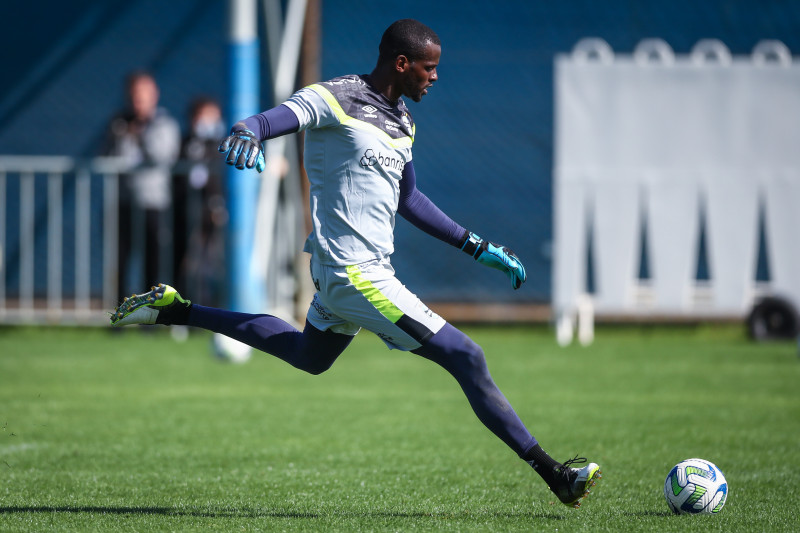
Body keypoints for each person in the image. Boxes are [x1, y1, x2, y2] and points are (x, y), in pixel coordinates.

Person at [109, 19, 601, 508]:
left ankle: (176, 311)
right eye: (429, 69)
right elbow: (275, 118)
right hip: (354, 274)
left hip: (352, 274)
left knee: (309, 357)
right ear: (402, 63)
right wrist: (250, 129)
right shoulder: (336, 97)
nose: (434, 77)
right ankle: (555, 473)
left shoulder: (403, 121)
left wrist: (478, 247)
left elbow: (410, 200)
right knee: (467, 356)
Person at [103, 71, 181, 299]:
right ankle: (119, 316)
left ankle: (151, 317)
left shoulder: (164, 124)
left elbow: (162, 156)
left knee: (153, 263)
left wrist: (139, 134)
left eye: (143, 95)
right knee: (119, 262)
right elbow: (105, 156)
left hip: (154, 204)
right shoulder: (118, 123)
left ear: (154, 94)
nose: (139, 101)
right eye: (135, 95)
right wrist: (117, 134)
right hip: (123, 203)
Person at [174, 97, 227, 306]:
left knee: (213, 263)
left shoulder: (223, 145)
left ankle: (213, 306)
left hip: (215, 213)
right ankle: (185, 308)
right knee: (189, 263)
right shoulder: (186, 143)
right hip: (189, 211)